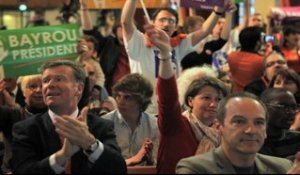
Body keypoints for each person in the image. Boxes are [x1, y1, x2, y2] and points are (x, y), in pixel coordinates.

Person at [143, 17, 228, 173]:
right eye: (206, 98)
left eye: (218, 99)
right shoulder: (176, 123)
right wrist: (165, 55)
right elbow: (167, 97)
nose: (213, 104)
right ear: (190, 100)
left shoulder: (224, 131)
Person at [11, 60, 127, 174]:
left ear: (79, 88)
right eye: (45, 81)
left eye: (59, 79)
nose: (50, 85)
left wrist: (90, 143)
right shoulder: (26, 129)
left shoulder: (101, 126)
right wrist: (62, 156)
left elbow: (119, 169)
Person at [176, 92, 300, 174]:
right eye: (239, 122)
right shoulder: (194, 168)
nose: (251, 130)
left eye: (259, 122)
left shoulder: (282, 167)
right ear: (219, 127)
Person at [102, 73, 158, 166]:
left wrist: (150, 160)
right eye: (118, 96)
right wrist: (133, 160)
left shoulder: (154, 125)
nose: (120, 102)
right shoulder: (105, 123)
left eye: (127, 97)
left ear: (141, 101)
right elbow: (102, 164)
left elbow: (156, 164)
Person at [80, 0, 130, 94]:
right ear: (115, 30)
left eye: (127, 28)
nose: (124, 32)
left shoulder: (140, 45)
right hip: (112, 91)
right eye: (121, 28)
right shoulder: (109, 44)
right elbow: (89, 32)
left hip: (135, 91)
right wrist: (84, 9)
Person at [0, 75, 47, 173]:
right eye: (32, 86)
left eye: (43, 86)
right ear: (23, 92)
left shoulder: (57, 115)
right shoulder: (12, 115)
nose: (38, 90)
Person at [260, 88, 300, 160]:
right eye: (283, 107)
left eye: (293, 107)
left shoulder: (296, 139)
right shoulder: (253, 141)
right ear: (263, 107)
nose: (290, 112)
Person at [228, 26, 264, 92]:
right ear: (258, 43)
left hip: (235, 94)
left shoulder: (231, 56)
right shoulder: (261, 60)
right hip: (255, 95)